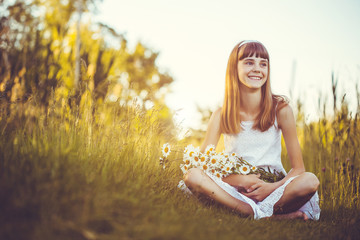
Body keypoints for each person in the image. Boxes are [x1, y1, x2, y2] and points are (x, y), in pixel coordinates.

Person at [183, 40, 320, 220]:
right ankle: (251, 212)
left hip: (273, 188)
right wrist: (239, 180)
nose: (257, 69)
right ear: (234, 68)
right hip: (235, 190)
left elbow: (298, 169)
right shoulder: (221, 115)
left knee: (310, 180)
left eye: (263, 64)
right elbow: (203, 165)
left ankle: (254, 213)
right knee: (193, 176)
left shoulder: (281, 109)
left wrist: (271, 188)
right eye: (249, 62)